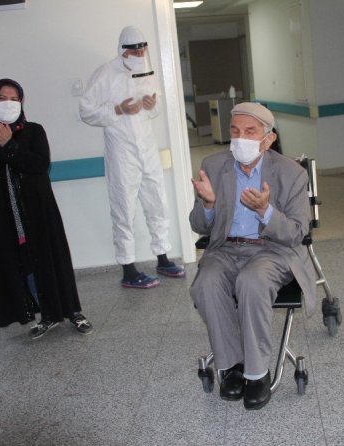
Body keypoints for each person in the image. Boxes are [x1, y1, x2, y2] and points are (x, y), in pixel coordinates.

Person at [189, 102, 317, 410]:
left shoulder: (291, 173)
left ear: (268, 138)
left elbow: (296, 233)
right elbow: (198, 226)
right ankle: (232, 366)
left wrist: (265, 211)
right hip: (226, 248)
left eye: (250, 131)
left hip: (271, 250)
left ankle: (257, 373)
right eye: (235, 131)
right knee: (206, 283)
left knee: (251, 281)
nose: (240, 138)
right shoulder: (213, 166)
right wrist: (207, 205)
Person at [0, 78, 93, 339]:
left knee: (52, 259)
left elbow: (39, 165)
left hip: (37, 211)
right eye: (2, 98)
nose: (8, 103)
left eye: (14, 99)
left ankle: (73, 311)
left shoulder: (34, 131)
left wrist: (9, 145)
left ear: (21, 102)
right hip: (3, 216)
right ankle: (46, 315)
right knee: (23, 265)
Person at [79, 25, 184, 289]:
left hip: (147, 148)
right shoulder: (105, 73)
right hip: (121, 151)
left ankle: (163, 258)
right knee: (123, 208)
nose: (139, 55)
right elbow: (86, 111)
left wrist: (151, 105)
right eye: (134, 51)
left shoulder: (147, 71)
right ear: (122, 50)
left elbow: (154, 108)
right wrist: (118, 109)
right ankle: (128, 268)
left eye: (142, 50)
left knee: (157, 202)